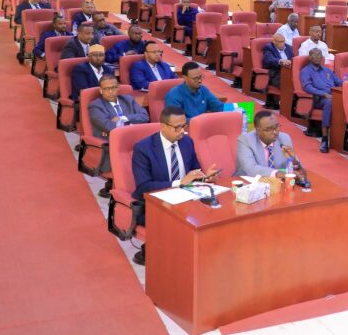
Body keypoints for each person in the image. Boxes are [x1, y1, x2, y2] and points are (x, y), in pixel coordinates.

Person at [131, 106, 219, 264]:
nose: (182, 131)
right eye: (177, 127)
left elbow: (194, 171)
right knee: (183, 226)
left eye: (184, 126)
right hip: (157, 203)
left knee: (215, 211)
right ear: (163, 126)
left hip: (187, 198)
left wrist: (205, 178)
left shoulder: (187, 142)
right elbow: (143, 187)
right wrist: (179, 183)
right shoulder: (143, 148)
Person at [87, 74, 149, 179]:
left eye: (113, 88)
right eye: (106, 89)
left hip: (135, 140)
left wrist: (123, 118)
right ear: (101, 90)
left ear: (118, 87)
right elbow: (109, 127)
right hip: (113, 144)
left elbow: (145, 117)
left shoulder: (129, 100)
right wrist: (133, 124)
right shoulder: (95, 106)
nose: (110, 91)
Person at [300, 48, 343, 152]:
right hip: (318, 98)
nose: (318, 57)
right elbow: (307, 87)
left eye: (319, 55)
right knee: (329, 102)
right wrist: (323, 94)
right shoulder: (305, 71)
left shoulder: (327, 70)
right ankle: (324, 138)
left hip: (333, 96)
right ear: (310, 57)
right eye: (315, 55)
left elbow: (339, 82)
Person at [236, 110, 297, 176]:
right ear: (258, 130)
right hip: (250, 180)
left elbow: (296, 166)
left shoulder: (284, 138)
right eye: (269, 129)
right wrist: (276, 173)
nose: (275, 132)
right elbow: (250, 169)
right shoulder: (246, 140)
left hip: (280, 180)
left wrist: (293, 159)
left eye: (276, 126)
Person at [261, 34, 293, 107]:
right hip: (275, 74)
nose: (283, 44)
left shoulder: (288, 47)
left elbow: (293, 59)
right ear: (274, 41)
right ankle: (285, 105)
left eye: (283, 41)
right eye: (280, 42)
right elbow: (269, 59)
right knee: (288, 83)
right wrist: (281, 61)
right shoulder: (268, 48)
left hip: (288, 72)